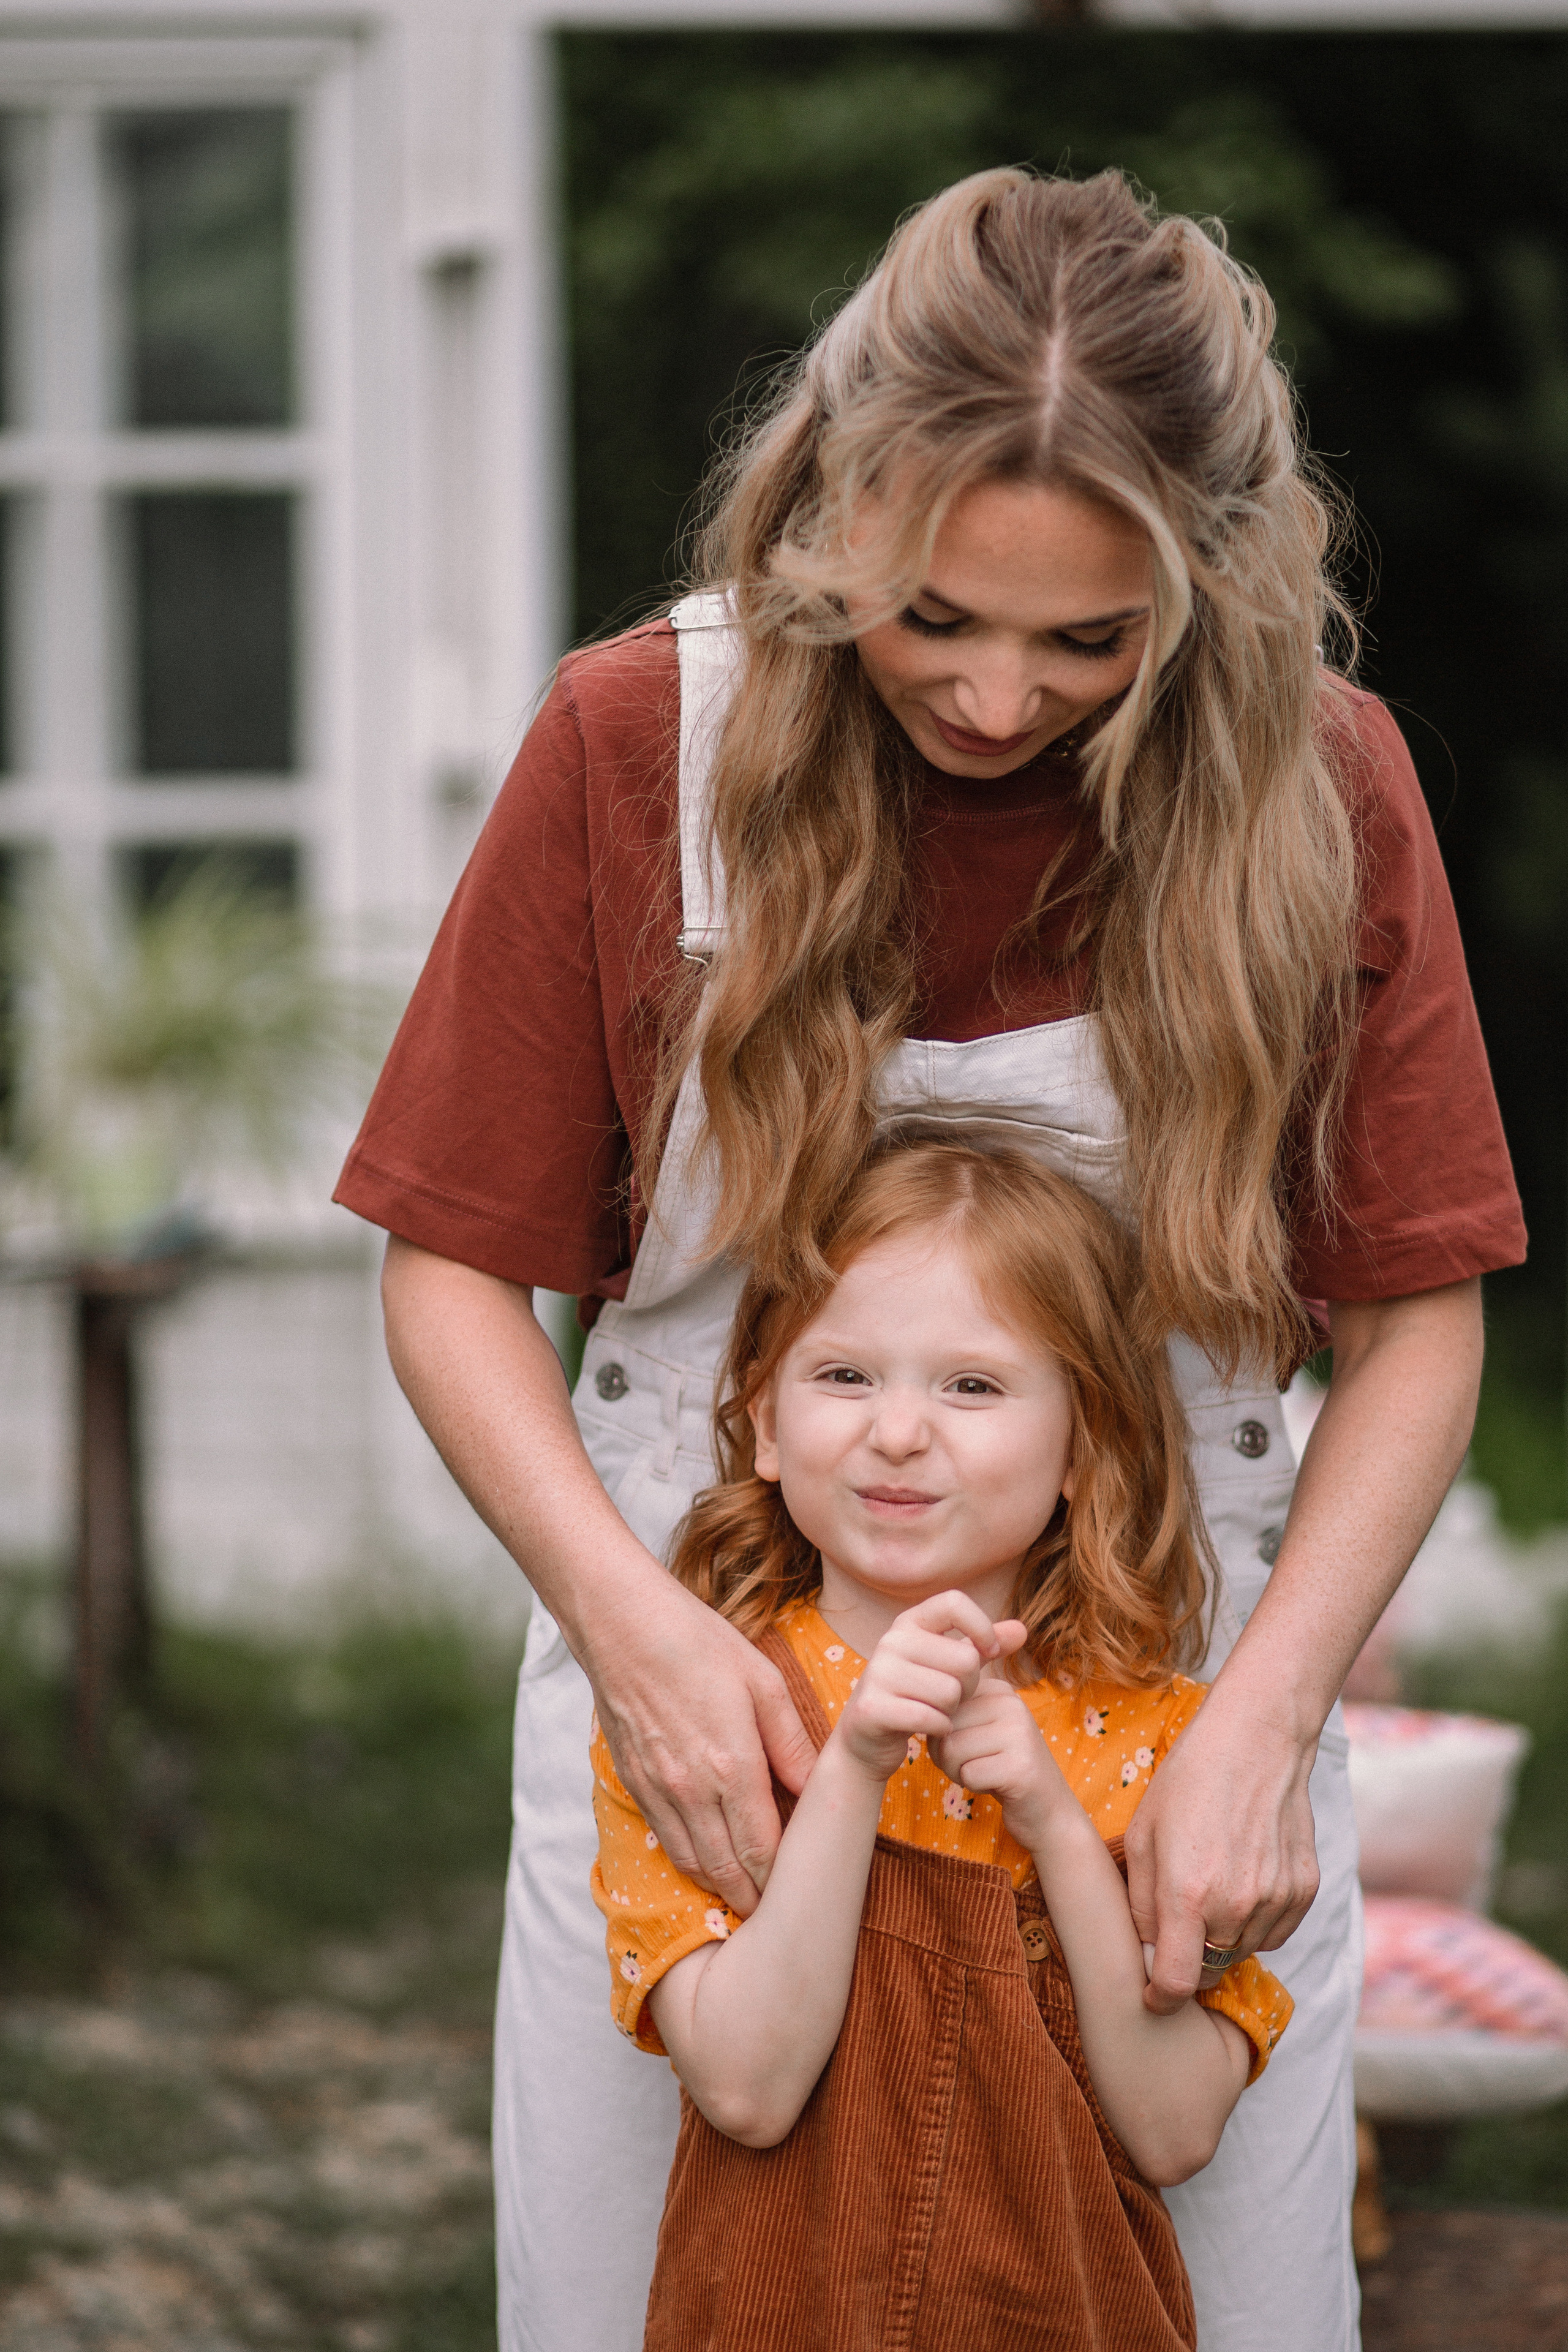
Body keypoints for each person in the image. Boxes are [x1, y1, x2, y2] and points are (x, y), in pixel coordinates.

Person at [334, 166, 1525, 2352]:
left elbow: (1414, 1327)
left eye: (1092, 641)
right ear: (830, 517)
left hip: (1177, 1720)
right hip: (710, 1711)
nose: (995, 701)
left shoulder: (1322, 782)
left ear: (1218, 582)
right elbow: (444, 1280)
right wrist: (643, 1646)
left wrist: (1260, 1730)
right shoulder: (635, 747)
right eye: (933, 619)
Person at [592, 1136, 1295, 2350]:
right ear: (761, 1420)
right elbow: (747, 2091)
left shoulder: (1165, 1743)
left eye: (971, 1386)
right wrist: (855, 1765)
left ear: (1084, 1447)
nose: (899, 1433)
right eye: (844, 1376)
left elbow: (1172, 2133)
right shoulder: (702, 1726)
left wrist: (1054, 1826)